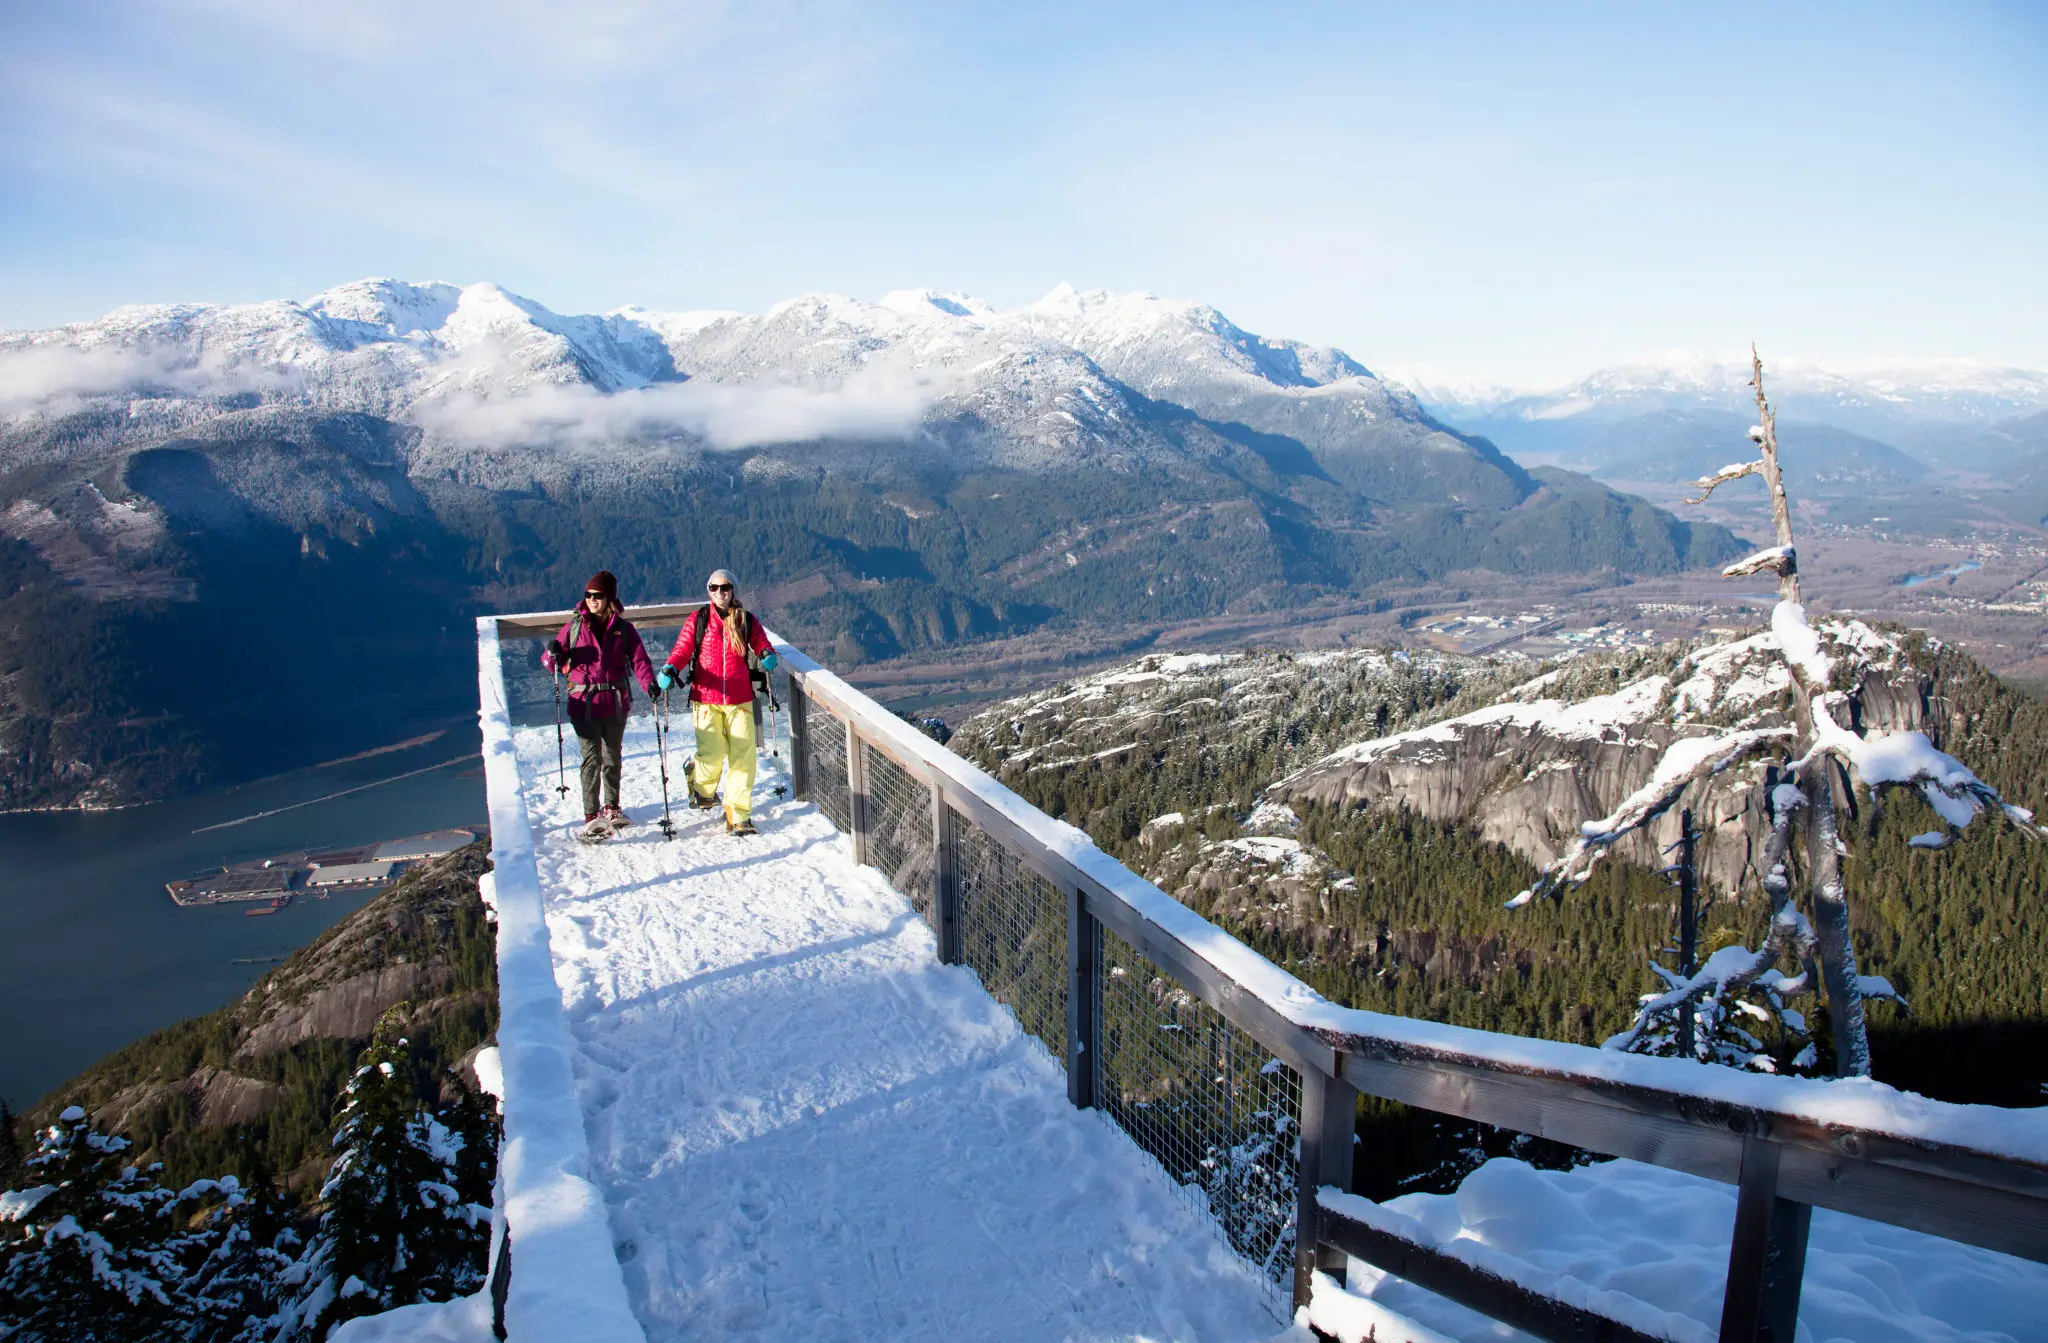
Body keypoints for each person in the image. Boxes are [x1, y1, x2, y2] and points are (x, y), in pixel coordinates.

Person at [656, 568, 778, 835]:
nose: (720, 593)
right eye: (714, 588)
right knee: (712, 755)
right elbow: (682, 649)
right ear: (708, 591)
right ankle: (700, 785)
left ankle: (738, 815)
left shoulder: (745, 619)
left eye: (725, 588)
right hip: (705, 697)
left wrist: (767, 653)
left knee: (743, 758)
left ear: (733, 589)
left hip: (740, 698)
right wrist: (669, 669)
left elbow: (761, 642)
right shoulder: (698, 620)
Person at [543, 571, 660, 841]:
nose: (592, 600)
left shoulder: (622, 629)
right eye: (588, 595)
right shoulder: (574, 627)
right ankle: (591, 815)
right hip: (583, 702)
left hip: (615, 701)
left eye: (598, 596)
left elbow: (640, 660)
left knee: (612, 756)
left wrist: (649, 684)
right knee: (592, 758)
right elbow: (550, 662)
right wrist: (553, 653)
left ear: (609, 599)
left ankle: (612, 807)